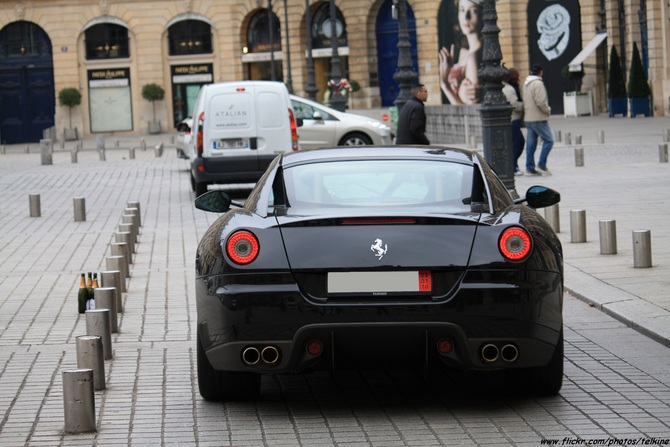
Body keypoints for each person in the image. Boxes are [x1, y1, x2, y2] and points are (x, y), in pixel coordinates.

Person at [438, 0, 483, 105]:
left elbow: (470, 111)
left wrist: (445, 85)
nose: (466, 17)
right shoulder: (465, 52)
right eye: (462, 10)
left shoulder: (474, 57)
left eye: (474, 11)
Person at [523, 64, 553, 175]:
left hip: (529, 118)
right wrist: (547, 110)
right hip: (538, 117)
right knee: (549, 140)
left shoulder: (526, 84)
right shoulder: (538, 84)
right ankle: (542, 164)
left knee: (531, 144)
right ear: (541, 73)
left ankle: (529, 167)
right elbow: (541, 101)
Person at [502, 68, 525, 176]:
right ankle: (513, 167)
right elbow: (514, 105)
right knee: (517, 144)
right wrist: (525, 105)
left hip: (514, 120)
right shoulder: (509, 89)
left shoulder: (512, 88)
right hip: (513, 120)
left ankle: (513, 165)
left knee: (519, 143)